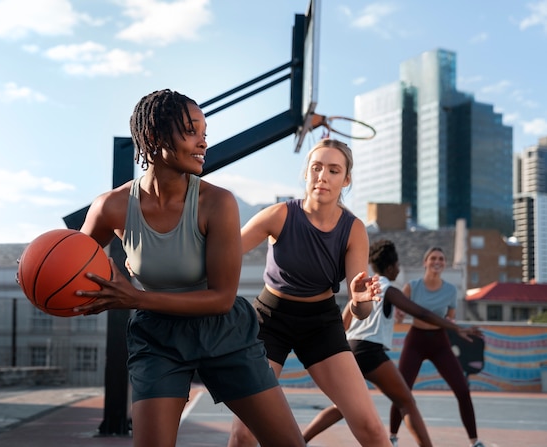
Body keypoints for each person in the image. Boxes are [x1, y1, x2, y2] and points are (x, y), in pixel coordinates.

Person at [74, 89, 305, 447]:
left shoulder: (217, 203)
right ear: (153, 137)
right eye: (191, 130)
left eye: (204, 133)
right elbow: (71, 266)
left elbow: (221, 299)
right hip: (158, 339)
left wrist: (135, 298)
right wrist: (38, 274)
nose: (203, 143)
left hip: (222, 332)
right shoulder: (111, 207)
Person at [227, 138, 392, 447]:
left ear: (346, 179)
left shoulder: (353, 229)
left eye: (333, 170)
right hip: (270, 321)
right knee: (243, 433)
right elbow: (223, 254)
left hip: (320, 324)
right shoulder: (279, 215)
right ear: (306, 173)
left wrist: (358, 300)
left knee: (370, 427)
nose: (323, 176)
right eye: (316, 168)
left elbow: (361, 310)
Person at [302, 239, 483, 446]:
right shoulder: (388, 289)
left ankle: (300, 440)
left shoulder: (363, 287)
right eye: (397, 266)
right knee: (407, 402)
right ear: (390, 267)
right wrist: (457, 327)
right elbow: (421, 312)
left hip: (350, 350)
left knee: (342, 407)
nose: (398, 270)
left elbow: (343, 323)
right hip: (370, 351)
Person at [390, 247, 485, 447]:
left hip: (440, 342)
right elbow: (400, 316)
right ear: (425, 262)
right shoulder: (412, 286)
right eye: (433, 258)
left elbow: (449, 319)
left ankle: (474, 441)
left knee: (462, 390)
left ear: (444, 263)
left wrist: (458, 328)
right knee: (401, 390)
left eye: (441, 258)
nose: (437, 261)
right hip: (415, 340)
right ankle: (392, 437)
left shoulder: (450, 290)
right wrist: (399, 316)